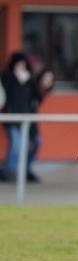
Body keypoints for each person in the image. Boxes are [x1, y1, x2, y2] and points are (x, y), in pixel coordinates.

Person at [0, 52, 41, 182]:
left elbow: (37, 97)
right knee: (17, 145)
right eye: (18, 64)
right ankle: (9, 172)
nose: (21, 67)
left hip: (29, 119)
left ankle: (26, 170)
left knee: (36, 142)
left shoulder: (30, 80)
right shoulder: (7, 78)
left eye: (23, 64)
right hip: (12, 119)